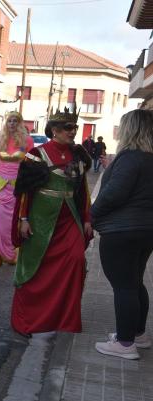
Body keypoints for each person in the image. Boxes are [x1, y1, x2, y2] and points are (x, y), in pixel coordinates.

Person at [11, 107, 92, 337]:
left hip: (70, 220)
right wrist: (23, 219)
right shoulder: (36, 155)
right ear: (54, 130)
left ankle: (65, 319)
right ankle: (30, 320)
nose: (73, 131)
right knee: (34, 269)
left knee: (76, 260)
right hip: (40, 221)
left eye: (74, 127)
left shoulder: (79, 155)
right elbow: (25, 191)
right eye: (68, 128)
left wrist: (87, 218)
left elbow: (83, 191)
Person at [92, 109, 153, 360]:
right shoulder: (149, 158)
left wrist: (91, 215)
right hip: (146, 230)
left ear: (131, 129)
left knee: (124, 287)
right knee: (135, 282)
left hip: (122, 231)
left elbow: (114, 193)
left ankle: (125, 344)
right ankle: (138, 334)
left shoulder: (130, 157)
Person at [0, 112, 34, 267]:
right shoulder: (0, 141)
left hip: (18, 188)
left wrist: (29, 185)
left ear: (20, 123)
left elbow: (31, 165)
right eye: (9, 121)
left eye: (15, 121)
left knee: (14, 222)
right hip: (0, 188)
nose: (12, 123)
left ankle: (13, 253)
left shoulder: (28, 141)